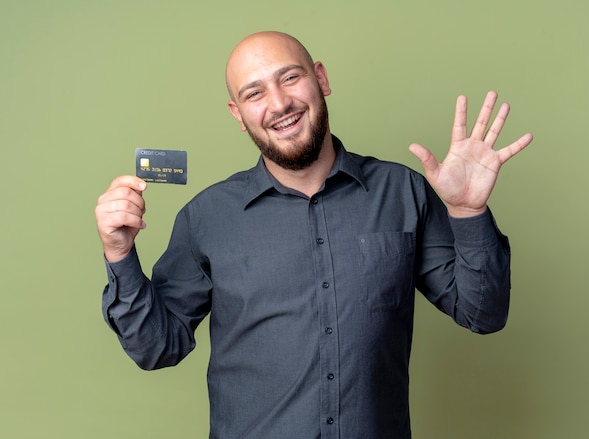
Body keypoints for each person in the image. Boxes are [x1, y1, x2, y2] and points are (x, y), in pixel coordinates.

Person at [95, 31, 533, 439]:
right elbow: (156, 348)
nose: (279, 102)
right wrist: (120, 253)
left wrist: (467, 212)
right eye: (254, 92)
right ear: (238, 114)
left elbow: (483, 314)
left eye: (290, 77)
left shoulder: (404, 192)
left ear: (320, 78)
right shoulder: (206, 218)